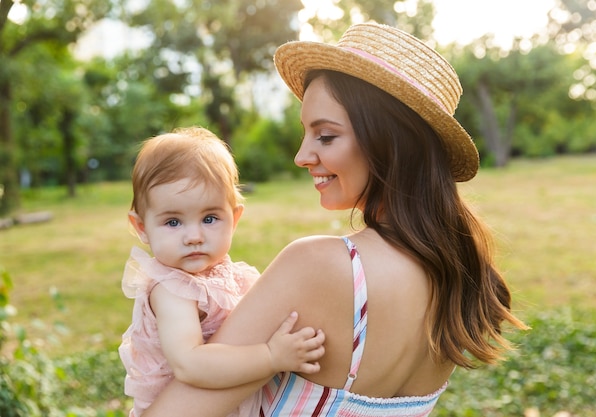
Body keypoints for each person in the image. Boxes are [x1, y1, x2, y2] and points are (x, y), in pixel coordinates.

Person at [143, 22, 528, 417]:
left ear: (388, 144)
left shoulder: (318, 266)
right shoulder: (460, 275)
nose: (302, 155)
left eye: (325, 136)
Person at [118, 126, 325, 417]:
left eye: (210, 218)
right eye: (173, 222)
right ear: (142, 227)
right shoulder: (171, 290)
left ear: (235, 218)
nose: (194, 236)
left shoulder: (229, 275)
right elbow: (189, 364)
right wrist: (270, 357)